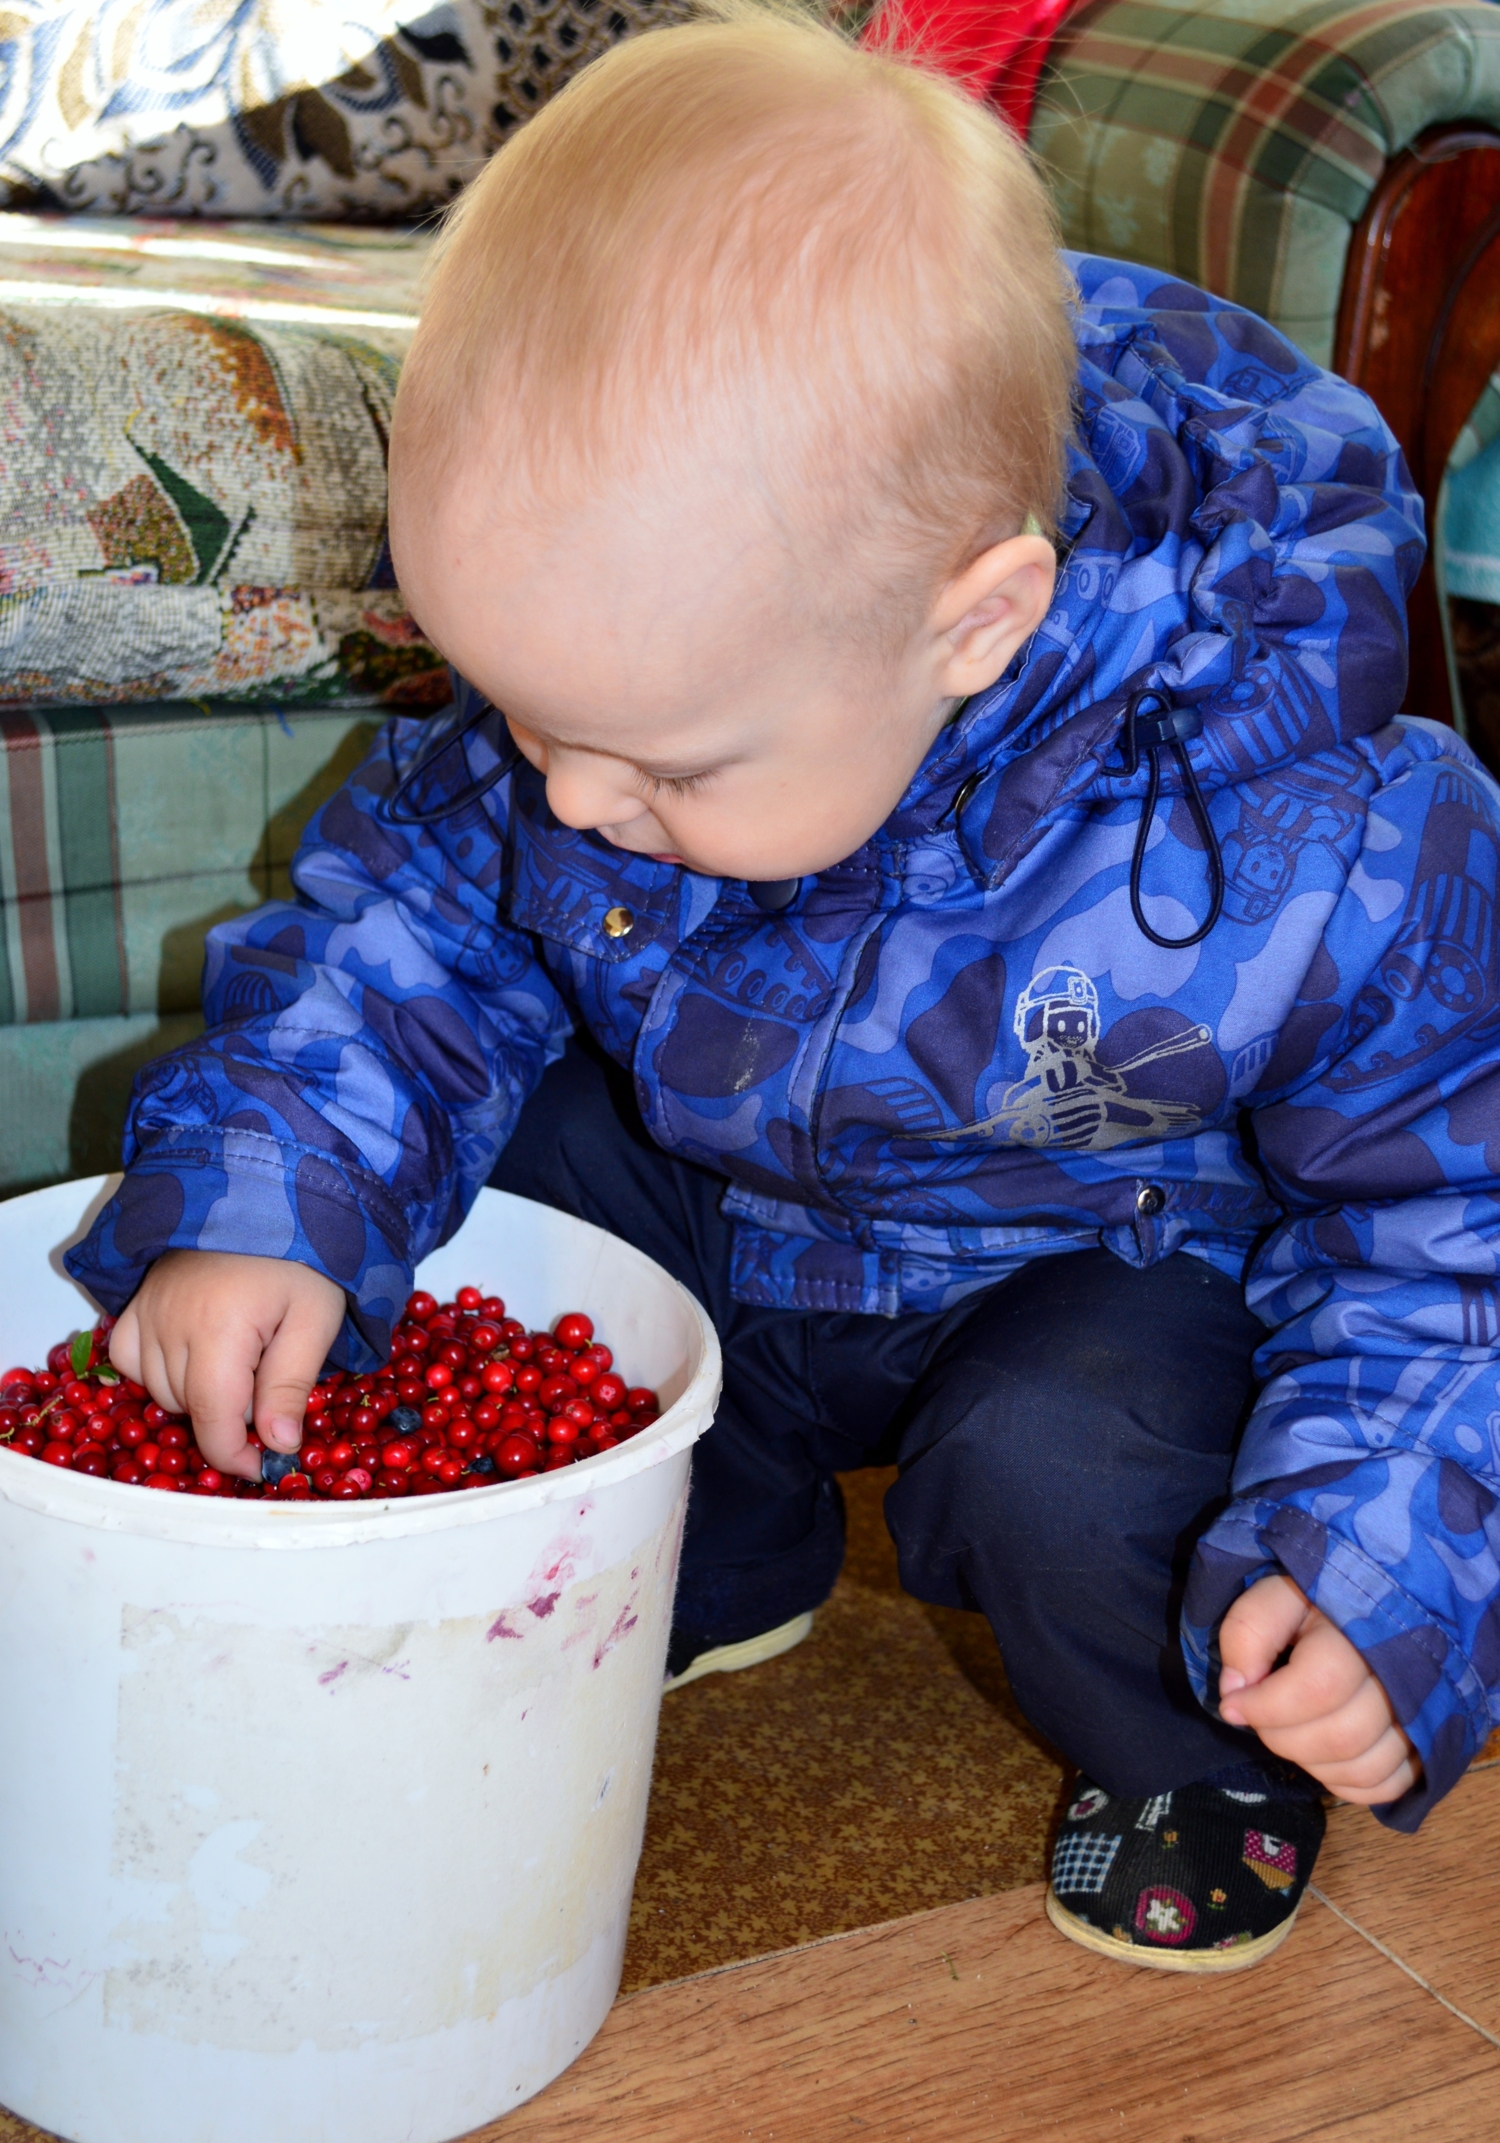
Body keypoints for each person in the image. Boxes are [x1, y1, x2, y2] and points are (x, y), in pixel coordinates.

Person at [67, 2, 1500, 1973]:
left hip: (1102, 1281)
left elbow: (1453, 1220)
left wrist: (1376, 1563)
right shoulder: (630, 706)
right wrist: (268, 1204)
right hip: (744, 1212)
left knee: (1070, 1467)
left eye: (658, 764)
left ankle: (1186, 1747)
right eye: (528, 718)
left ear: (970, 627)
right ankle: (714, 1551)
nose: (570, 796)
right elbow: (399, 943)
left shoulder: (1308, 842)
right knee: (523, 1168)